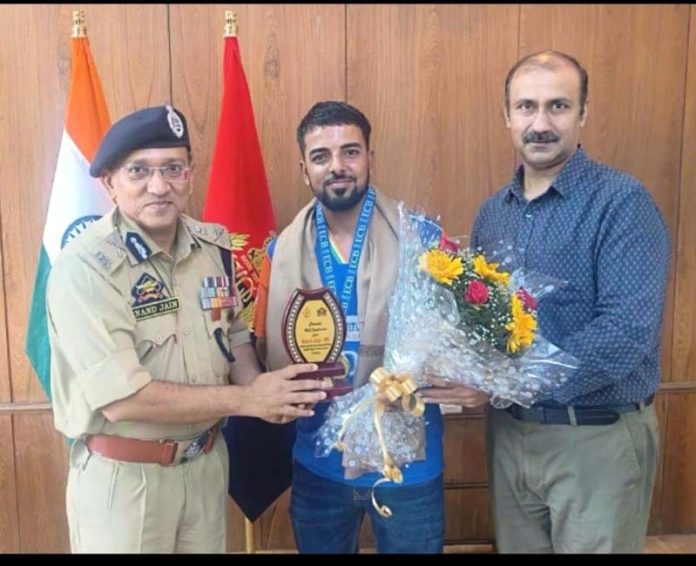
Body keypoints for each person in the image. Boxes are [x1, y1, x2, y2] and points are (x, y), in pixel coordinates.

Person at [46, 105, 328, 554]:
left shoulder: (212, 246)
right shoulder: (86, 268)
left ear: (191, 175)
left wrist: (265, 390)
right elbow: (123, 398)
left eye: (172, 168)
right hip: (126, 478)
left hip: (205, 467)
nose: (159, 186)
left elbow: (233, 337)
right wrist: (248, 400)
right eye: (139, 170)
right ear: (109, 183)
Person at [252, 100, 486, 554]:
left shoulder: (422, 240)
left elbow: (471, 337)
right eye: (321, 156)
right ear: (304, 169)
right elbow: (259, 350)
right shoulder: (279, 253)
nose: (337, 166)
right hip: (318, 465)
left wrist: (475, 380)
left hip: (408, 467)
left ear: (369, 158)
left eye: (350, 152)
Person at [470, 50, 671, 553]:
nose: (540, 123)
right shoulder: (492, 214)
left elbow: (625, 333)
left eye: (558, 106)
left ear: (583, 114)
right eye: (526, 107)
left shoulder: (622, 202)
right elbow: (480, 322)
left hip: (595, 439)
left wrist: (510, 379)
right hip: (510, 436)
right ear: (506, 116)